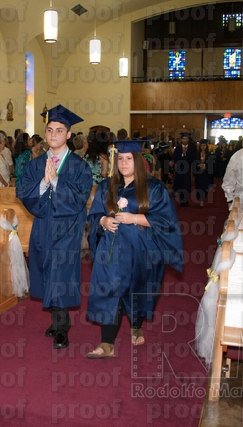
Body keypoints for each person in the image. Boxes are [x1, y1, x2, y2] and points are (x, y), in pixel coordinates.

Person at [86, 141, 182, 358]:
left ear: (138, 160)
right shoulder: (107, 186)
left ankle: (136, 324)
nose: (123, 163)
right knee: (108, 291)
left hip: (141, 250)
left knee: (137, 288)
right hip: (110, 250)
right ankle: (106, 343)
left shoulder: (153, 187)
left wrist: (135, 218)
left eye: (129, 158)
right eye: (120, 158)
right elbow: (93, 214)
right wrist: (103, 221)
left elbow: (167, 221)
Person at [16, 105, 93, 350]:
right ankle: (56, 319)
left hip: (67, 230)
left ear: (68, 135)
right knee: (46, 272)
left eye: (59, 130)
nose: (53, 135)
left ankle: (62, 327)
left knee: (61, 274)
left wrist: (57, 182)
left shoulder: (79, 166)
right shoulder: (36, 164)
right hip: (42, 227)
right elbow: (23, 191)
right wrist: (43, 182)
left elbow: (80, 198)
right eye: (50, 130)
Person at [172, 131, 196, 206]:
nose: (185, 140)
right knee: (180, 185)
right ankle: (181, 200)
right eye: (184, 139)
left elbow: (193, 158)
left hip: (187, 169)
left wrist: (186, 157)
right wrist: (182, 155)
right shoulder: (178, 148)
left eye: (186, 139)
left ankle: (185, 201)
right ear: (181, 140)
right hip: (179, 169)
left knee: (186, 185)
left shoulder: (191, 149)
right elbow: (175, 158)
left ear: (188, 140)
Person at [193, 139, 213, 207]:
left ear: (206, 146)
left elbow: (212, 164)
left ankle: (203, 199)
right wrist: (198, 165)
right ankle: (200, 199)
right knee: (198, 186)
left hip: (205, 173)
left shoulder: (209, 154)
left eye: (204, 145)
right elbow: (194, 163)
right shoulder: (197, 154)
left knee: (205, 187)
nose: (203, 147)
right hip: (198, 173)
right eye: (201, 145)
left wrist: (206, 167)